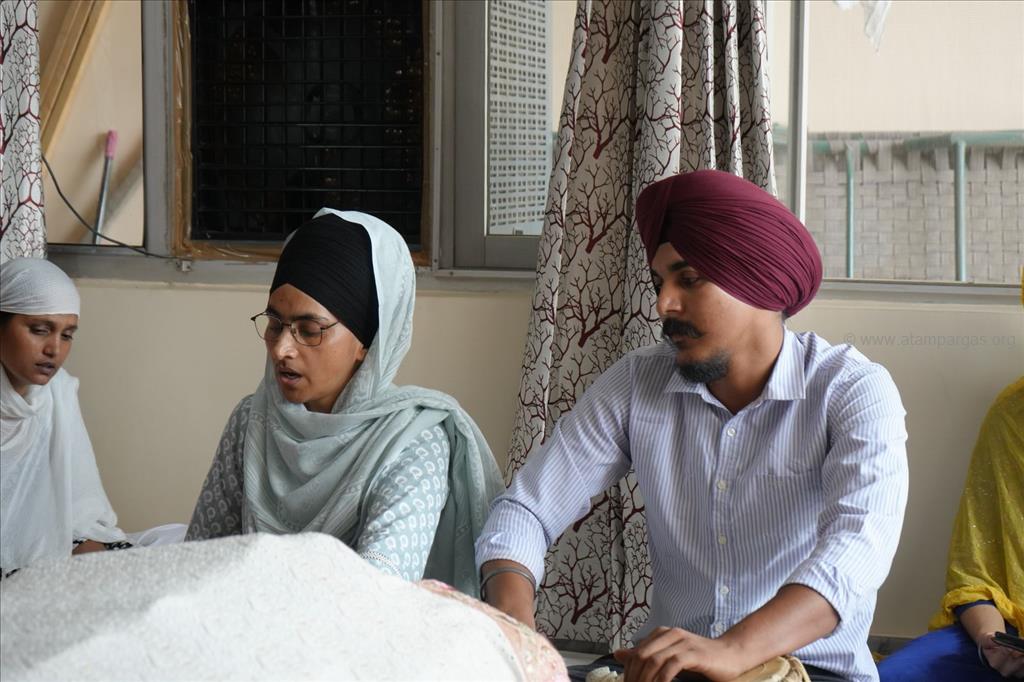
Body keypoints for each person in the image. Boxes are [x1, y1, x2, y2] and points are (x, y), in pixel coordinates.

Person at [475, 170, 909, 682]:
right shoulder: (637, 381)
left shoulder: (853, 390)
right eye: (660, 283)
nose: (664, 304)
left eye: (689, 279)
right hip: (671, 669)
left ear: (758, 281)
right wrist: (520, 640)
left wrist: (732, 650)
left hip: (813, 670)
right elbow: (526, 510)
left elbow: (856, 553)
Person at [186, 209, 504, 596]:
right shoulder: (251, 421)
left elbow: (377, 591)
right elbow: (197, 562)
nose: (282, 349)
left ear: (367, 342)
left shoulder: (412, 442)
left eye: (309, 330)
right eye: (274, 324)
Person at [878, 377, 1023, 680]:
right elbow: (974, 575)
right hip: (1011, 628)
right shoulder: (1013, 411)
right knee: (894, 676)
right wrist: (991, 641)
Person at [1, 258, 128, 576]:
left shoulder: (57, 393)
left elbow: (79, 513)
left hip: (37, 563)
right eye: (39, 330)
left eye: (67, 335)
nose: (54, 349)